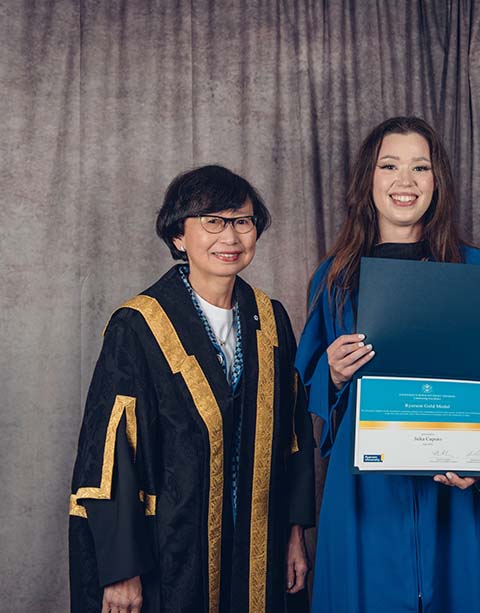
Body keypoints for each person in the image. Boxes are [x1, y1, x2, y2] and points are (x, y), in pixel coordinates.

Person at [295, 116, 480, 613]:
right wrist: (333, 374)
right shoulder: (336, 278)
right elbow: (304, 387)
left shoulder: (477, 269)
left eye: (420, 167)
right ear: (368, 181)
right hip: (366, 498)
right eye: (390, 166)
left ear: (437, 181)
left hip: (457, 496)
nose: (405, 182)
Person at [69, 165, 315, 612]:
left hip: (258, 545)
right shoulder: (139, 326)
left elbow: (293, 435)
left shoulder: (271, 320)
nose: (231, 236)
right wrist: (122, 569)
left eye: (242, 221)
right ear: (179, 237)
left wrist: (295, 533)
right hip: (172, 549)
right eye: (213, 221)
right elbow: (109, 456)